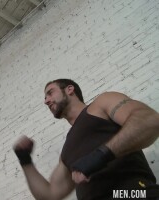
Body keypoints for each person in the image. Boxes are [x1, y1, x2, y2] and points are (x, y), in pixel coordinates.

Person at [13, 79, 159, 200]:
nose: (46, 101)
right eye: (45, 97)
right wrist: (25, 160)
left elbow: (149, 120)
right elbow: (50, 194)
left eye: (50, 93)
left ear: (69, 89)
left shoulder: (101, 104)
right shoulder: (67, 149)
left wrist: (99, 156)